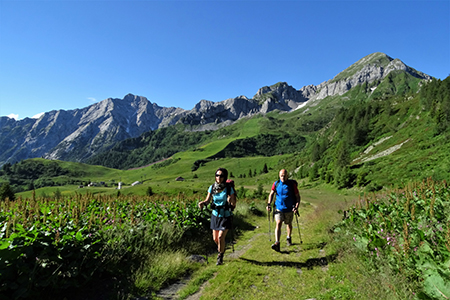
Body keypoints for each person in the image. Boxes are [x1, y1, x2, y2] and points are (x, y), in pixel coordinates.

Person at [198, 168, 236, 265]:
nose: (219, 177)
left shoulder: (228, 188)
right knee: (215, 239)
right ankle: (222, 248)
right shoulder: (212, 187)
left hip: (225, 215)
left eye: (221, 176)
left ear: (225, 177)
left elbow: (233, 203)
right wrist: (203, 203)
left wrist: (229, 200)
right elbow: (208, 200)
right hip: (215, 215)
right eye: (217, 175)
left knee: (220, 237)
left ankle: (220, 256)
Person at [266, 169, 300, 251]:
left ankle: (288, 237)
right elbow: (271, 194)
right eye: (281, 175)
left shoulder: (292, 185)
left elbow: (297, 196)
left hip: (289, 209)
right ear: (279, 175)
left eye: (284, 175)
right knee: (278, 223)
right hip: (279, 208)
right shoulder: (276, 184)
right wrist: (269, 204)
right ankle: (277, 243)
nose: (283, 177)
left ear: (287, 176)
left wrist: (296, 206)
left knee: (288, 224)